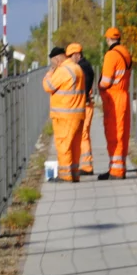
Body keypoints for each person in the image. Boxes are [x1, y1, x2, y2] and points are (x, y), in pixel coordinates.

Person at [42, 46, 86, 183]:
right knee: (74, 146)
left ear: (56, 59)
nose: (53, 65)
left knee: (63, 145)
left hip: (64, 115)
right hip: (78, 113)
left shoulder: (63, 70)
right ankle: (74, 173)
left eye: (53, 62)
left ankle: (65, 176)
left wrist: (49, 73)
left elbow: (48, 86)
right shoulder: (77, 68)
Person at [97, 27, 133, 180]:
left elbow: (106, 81)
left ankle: (116, 170)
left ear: (108, 39)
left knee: (114, 133)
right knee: (122, 133)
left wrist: (99, 86)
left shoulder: (111, 55)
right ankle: (118, 167)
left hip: (114, 98)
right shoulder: (126, 53)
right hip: (124, 95)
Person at [70, 45, 96, 176]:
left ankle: (87, 166)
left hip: (85, 105)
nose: (69, 59)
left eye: (71, 56)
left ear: (77, 55)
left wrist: (83, 96)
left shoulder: (83, 67)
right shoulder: (84, 66)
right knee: (82, 134)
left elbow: (84, 86)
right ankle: (85, 164)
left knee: (84, 134)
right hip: (85, 105)